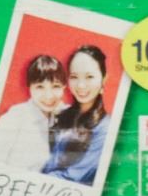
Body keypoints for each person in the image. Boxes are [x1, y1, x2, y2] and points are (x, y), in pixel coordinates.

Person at [0, 54, 67, 173]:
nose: (49, 95)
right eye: (40, 87)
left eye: (56, 86)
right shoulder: (14, 119)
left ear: (64, 87)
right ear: (29, 87)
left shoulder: (69, 116)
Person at [41, 45, 111, 185]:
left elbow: (73, 177)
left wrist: (32, 178)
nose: (81, 85)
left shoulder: (105, 129)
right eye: (74, 77)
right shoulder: (61, 114)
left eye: (89, 77)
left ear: (104, 79)